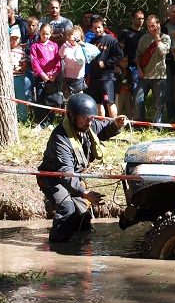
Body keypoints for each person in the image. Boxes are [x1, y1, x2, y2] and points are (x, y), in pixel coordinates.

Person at [36, 93, 128, 243]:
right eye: (85, 118)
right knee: (67, 210)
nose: (89, 122)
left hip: (74, 177)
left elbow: (104, 130)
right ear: (72, 115)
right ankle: (57, 248)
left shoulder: (88, 126)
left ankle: (80, 247)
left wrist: (115, 125)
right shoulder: (60, 138)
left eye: (91, 118)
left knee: (83, 220)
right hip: (53, 178)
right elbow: (66, 173)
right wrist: (85, 193)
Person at [134, 14, 170, 124]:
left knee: (158, 104)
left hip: (159, 76)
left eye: (153, 26)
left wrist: (157, 37)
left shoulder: (165, 38)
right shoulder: (143, 39)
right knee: (138, 100)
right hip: (144, 75)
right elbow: (138, 55)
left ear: (158, 25)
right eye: (149, 26)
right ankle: (139, 124)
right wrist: (139, 67)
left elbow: (163, 52)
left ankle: (157, 126)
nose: (151, 29)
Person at [87, 15, 123, 119]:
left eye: (99, 27)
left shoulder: (111, 40)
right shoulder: (93, 41)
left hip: (106, 77)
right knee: (98, 103)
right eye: (94, 28)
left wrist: (106, 63)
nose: (97, 30)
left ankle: (115, 124)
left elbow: (119, 55)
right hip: (94, 76)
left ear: (103, 27)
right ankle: (101, 124)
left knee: (109, 102)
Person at [30, 22, 62, 129]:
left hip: (52, 78)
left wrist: (54, 74)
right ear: (39, 32)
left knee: (50, 99)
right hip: (40, 77)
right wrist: (42, 74)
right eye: (43, 33)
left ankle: (50, 121)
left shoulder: (54, 45)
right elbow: (34, 62)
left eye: (48, 34)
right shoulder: (35, 46)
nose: (45, 36)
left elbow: (58, 61)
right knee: (40, 98)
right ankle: (41, 122)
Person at [162, 3, 175, 121]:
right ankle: (171, 118)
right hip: (167, 62)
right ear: (168, 13)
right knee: (169, 91)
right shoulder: (163, 27)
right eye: (173, 12)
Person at [9, 22, 29, 122]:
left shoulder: (22, 52)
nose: (14, 40)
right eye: (12, 38)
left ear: (19, 38)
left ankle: (23, 118)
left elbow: (25, 66)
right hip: (8, 78)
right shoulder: (6, 50)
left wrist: (19, 68)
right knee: (9, 98)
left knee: (20, 98)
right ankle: (12, 118)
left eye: (16, 38)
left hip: (19, 77)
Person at [59, 26, 87, 98]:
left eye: (77, 37)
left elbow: (81, 63)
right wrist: (66, 43)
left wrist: (80, 45)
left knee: (79, 100)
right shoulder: (66, 47)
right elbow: (61, 53)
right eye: (73, 37)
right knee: (67, 100)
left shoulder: (82, 48)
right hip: (68, 78)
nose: (75, 39)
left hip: (79, 79)